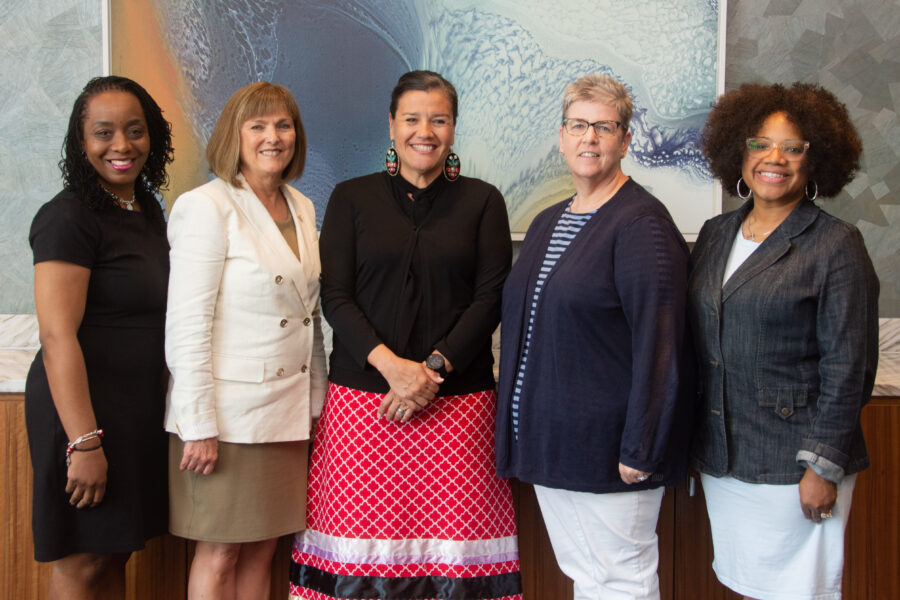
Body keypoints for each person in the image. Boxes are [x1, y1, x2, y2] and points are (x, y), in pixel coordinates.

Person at [290, 70, 521, 600]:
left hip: (459, 409)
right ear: (392, 126)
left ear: (454, 129)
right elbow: (336, 296)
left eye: (438, 119)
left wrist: (432, 369)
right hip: (362, 407)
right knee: (357, 561)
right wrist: (393, 368)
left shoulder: (484, 202)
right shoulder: (350, 198)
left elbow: (490, 299)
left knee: (454, 556)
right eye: (413, 118)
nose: (426, 131)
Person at [495, 73, 694, 600]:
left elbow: (663, 340)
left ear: (625, 141)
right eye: (579, 125)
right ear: (561, 136)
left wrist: (641, 445)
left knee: (619, 582)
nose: (590, 139)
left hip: (609, 452)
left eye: (604, 127)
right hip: (555, 443)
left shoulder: (641, 225)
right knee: (590, 577)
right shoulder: (547, 221)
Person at [689, 82, 879, 600]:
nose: (775, 158)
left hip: (795, 463)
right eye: (760, 144)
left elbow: (851, 367)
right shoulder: (714, 234)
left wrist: (822, 466)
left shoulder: (836, 244)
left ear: (815, 160)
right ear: (738, 151)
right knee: (746, 586)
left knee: (802, 591)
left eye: (792, 147)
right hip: (725, 457)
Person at [164, 81, 326, 599]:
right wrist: (199, 424)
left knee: (264, 546)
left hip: (285, 413)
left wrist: (316, 404)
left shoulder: (302, 205)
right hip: (227, 420)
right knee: (220, 550)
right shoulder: (205, 206)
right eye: (257, 126)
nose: (272, 137)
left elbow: (309, 315)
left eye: (283, 125)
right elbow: (187, 324)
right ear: (233, 136)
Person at [25, 75, 173, 598]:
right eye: (103, 132)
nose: (121, 146)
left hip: (134, 410)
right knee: (84, 559)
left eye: (135, 131)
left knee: (115, 550)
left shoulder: (147, 210)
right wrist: (84, 443)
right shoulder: (67, 217)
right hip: (84, 413)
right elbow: (56, 335)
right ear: (80, 141)